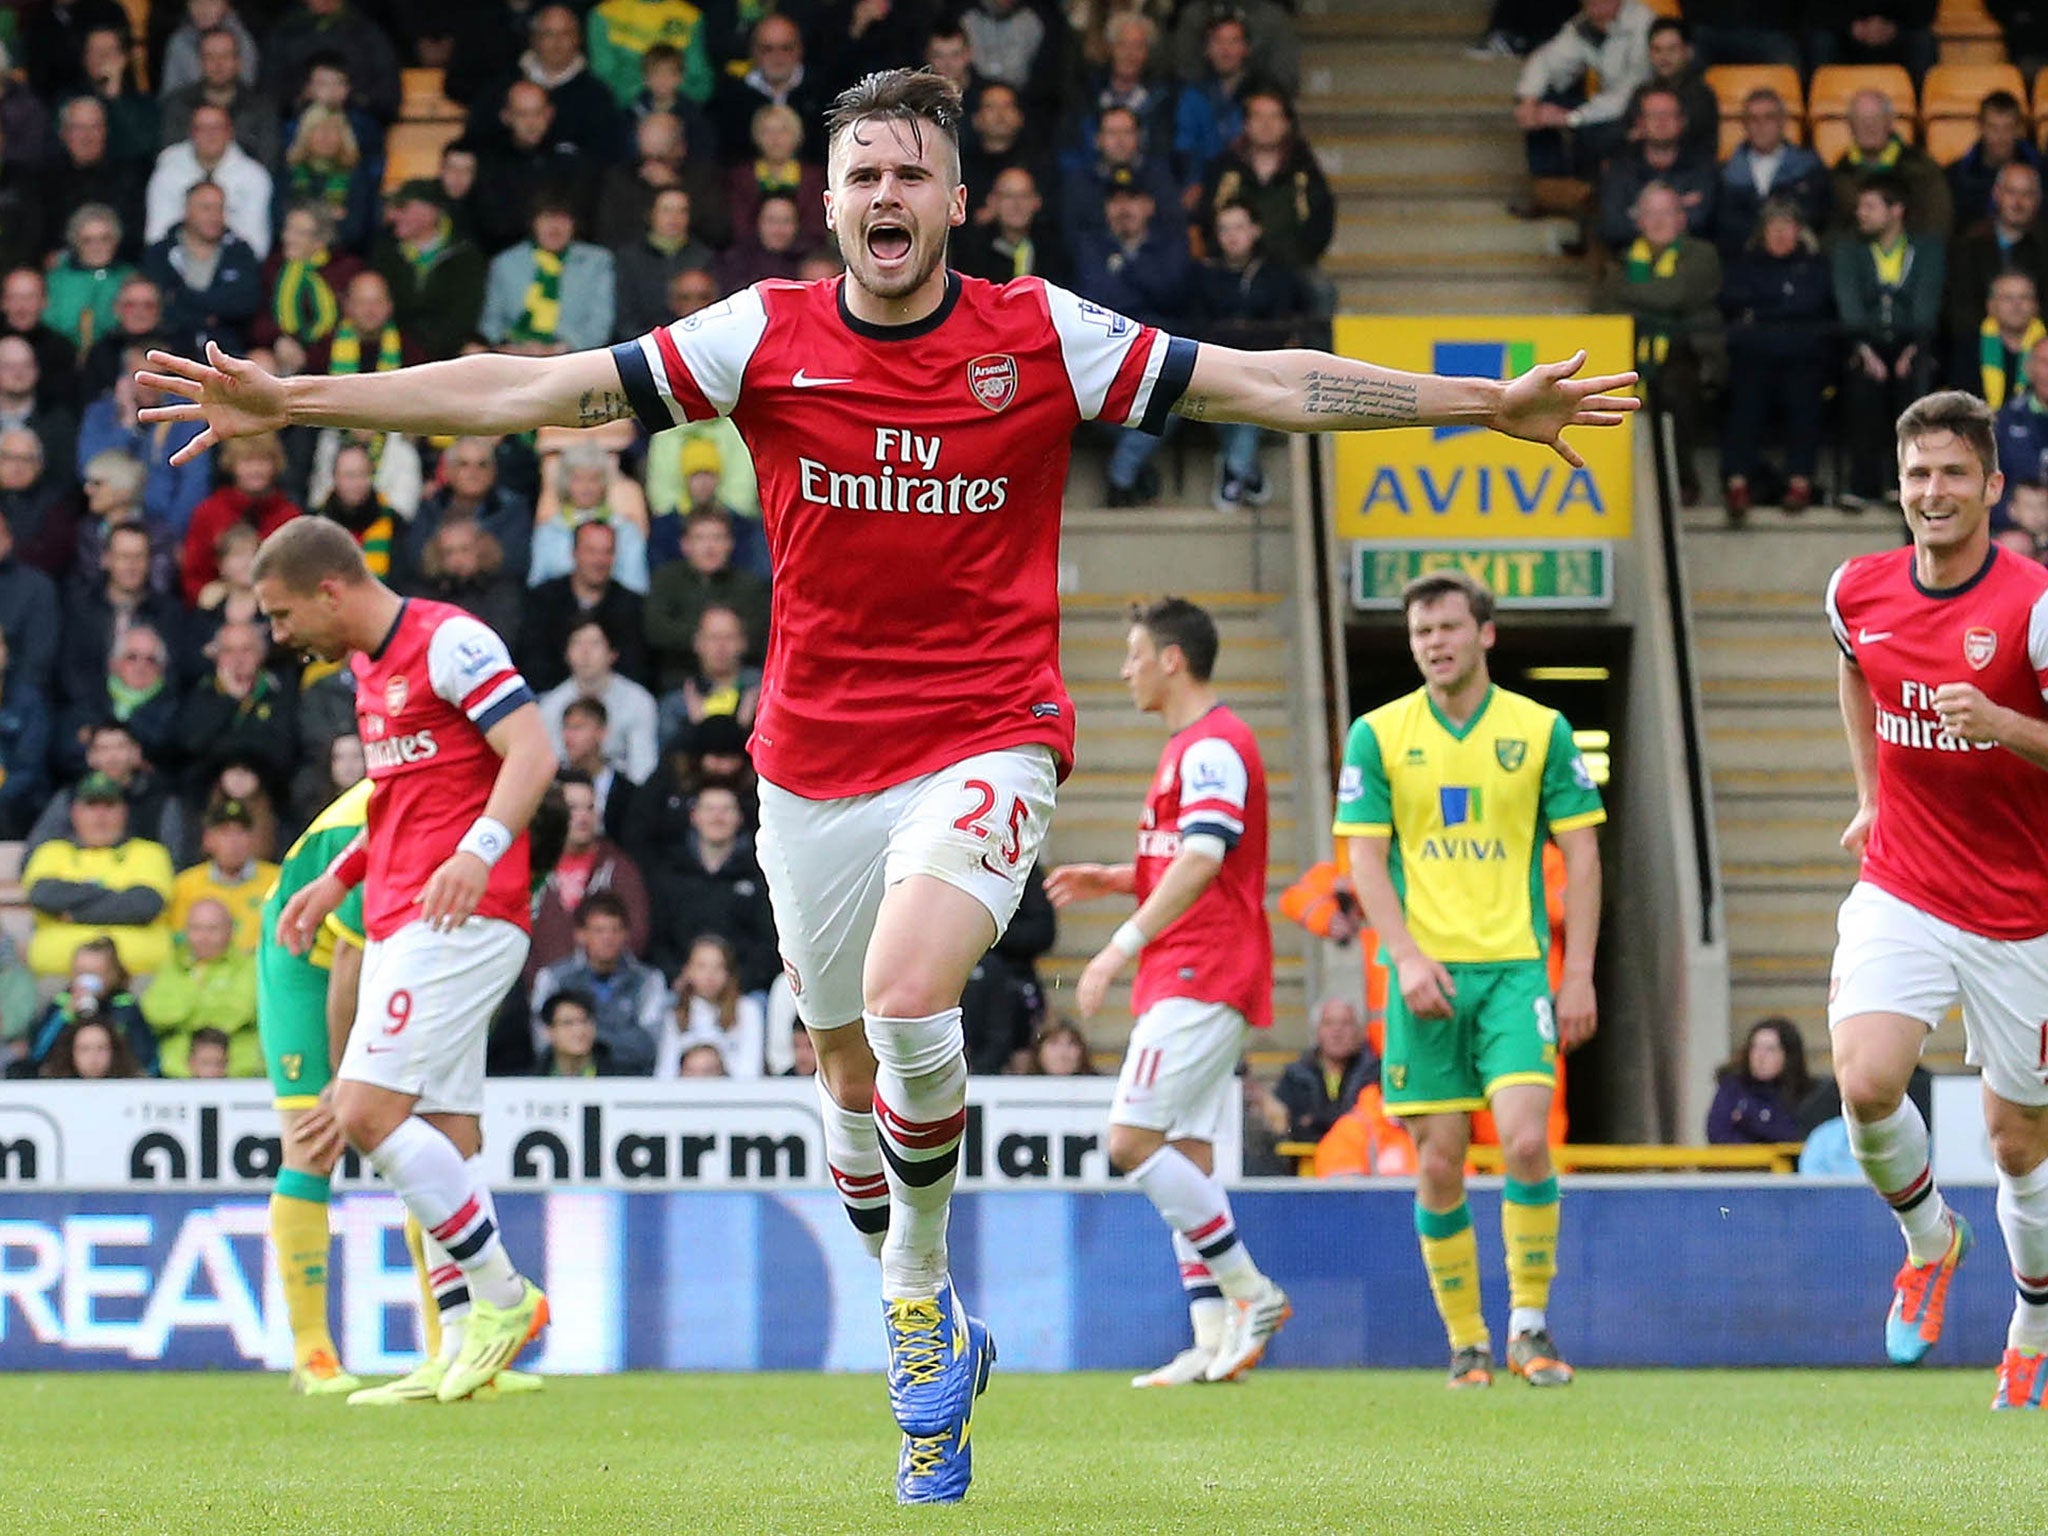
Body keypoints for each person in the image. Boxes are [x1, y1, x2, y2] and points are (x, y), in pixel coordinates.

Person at [133, 66, 1635, 1505]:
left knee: (916, 1002)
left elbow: (1268, 382)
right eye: (864, 174)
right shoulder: (760, 336)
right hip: (811, 771)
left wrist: (1478, 401)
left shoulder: (1041, 333)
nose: (888, 192)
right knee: (843, 1081)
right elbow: (534, 392)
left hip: (988, 735)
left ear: (957, 196)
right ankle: (932, 1308)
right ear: (829, 202)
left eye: (914, 171)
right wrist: (307, 399)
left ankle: (914, 1310)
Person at [212, 518, 555, 1404]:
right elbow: (395, 807)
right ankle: (453, 1357)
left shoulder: (452, 641)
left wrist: (478, 850)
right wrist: (339, 880)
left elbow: (535, 750)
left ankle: (505, 1299)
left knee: (363, 1111)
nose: (280, 637)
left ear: (331, 588)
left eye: (283, 617)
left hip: (458, 914)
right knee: (443, 1138)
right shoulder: (367, 673)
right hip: (408, 909)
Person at [1824, 389, 2048, 1407]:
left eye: (1953, 472)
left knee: (2014, 1144)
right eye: (1917, 474)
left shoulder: (2033, 605)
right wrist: (1870, 796)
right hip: (1902, 884)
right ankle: (1927, 1240)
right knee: (1866, 1081)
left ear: (1991, 487)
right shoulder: (1855, 591)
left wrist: (2003, 724)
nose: (1932, 491)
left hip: (2021, 913)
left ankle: (2031, 1321)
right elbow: (1852, 669)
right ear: (1898, 486)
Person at [1334, 569, 1605, 1389]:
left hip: (1516, 967)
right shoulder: (1378, 736)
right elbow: (1363, 860)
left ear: (1484, 633)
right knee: (1439, 1163)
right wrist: (1407, 958)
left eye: (1449, 628)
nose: (1435, 644)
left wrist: (1581, 973)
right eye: (1421, 633)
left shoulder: (1542, 728)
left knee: (1526, 1139)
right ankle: (1466, 1343)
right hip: (1424, 981)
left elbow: (1584, 854)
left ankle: (1529, 1324)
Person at [1047, 597, 1288, 1389]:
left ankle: (1251, 1296)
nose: (1124, 669)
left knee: (1130, 1140)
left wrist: (1117, 947)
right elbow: (1180, 856)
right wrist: (1116, 879)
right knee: (1184, 1153)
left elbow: (1205, 860)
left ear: (1172, 659)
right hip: (1187, 965)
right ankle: (1213, 1337)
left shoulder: (1213, 746)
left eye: (1134, 653)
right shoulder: (1189, 745)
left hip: (1201, 969)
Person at [1835, 176, 1946, 508]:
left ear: (1896, 210)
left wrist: (1912, 348)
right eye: (1859, 207)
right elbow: (1849, 303)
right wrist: (1866, 351)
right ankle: (1863, 483)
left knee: (1913, 388)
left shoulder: (1926, 249)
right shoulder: (1848, 251)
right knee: (1862, 386)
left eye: (1870, 206)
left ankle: (1905, 480)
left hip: (1915, 342)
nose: (1861, 213)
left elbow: (1927, 302)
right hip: (1864, 344)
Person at [1720, 199, 1834, 519]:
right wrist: (1786, 305)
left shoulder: (1815, 265)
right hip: (1755, 354)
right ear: (1763, 231)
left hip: (1803, 355)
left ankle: (1800, 482)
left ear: (1800, 231)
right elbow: (1734, 300)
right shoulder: (1745, 264)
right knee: (1745, 399)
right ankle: (1737, 483)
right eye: (1774, 227)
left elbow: (1815, 301)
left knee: (1805, 397)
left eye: (1788, 227)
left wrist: (1767, 308)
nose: (1781, 234)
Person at [22, 770, 177, 978]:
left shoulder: (150, 852)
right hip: (58, 977)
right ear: (74, 813)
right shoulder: (51, 851)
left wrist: (75, 913)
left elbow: (144, 905)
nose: (100, 816)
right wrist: (114, 898)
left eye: (109, 806)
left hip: (138, 976)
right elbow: (44, 896)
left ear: (124, 812)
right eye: (91, 806)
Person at [529, 890, 666, 1073]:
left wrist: (582, 1037)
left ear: (626, 934)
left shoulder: (648, 980)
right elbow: (543, 1041)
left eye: (615, 930)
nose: (607, 938)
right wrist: (617, 1037)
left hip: (631, 1082)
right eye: (599, 930)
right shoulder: (553, 978)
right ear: (580, 934)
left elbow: (649, 1045)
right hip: (568, 1082)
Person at [530, 770, 650, 971]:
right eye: (572, 808)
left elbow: (636, 933)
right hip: (539, 994)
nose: (583, 817)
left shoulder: (619, 868)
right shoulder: (534, 867)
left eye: (590, 808)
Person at [1944, 165, 2048, 393]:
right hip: (1976, 346)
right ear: (1996, 193)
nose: (2018, 202)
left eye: (2027, 194)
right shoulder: (1968, 243)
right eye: (2011, 192)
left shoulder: (2044, 246)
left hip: (2036, 344)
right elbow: (1958, 306)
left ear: (2038, 199)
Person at [141, 896, 259, 1076]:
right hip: (175, 1076)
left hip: (240, 1076)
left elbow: (241, 1011)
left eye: (212, 929)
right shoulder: (171, 966)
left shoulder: (249, 966)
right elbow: (156, 1014)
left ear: (231, 930)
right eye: (196, 929)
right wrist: (209, 1001)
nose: (203, 937)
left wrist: (187, 1013)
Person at [539, 618, 659, 782]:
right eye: (577, 643)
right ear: (566, 654)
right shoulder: (550, 706)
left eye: (595, 643)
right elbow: (547, 768)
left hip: (621, 797)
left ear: (612, 653)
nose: (585, 652)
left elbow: (643, 771)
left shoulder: (638, 701)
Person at [1713, 88, 1828, 258]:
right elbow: (1724, 225)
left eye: (1769, 117)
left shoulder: (1809, 168)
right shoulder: (1725, 174)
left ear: (1782, 122)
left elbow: (1816, 216)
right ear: (1744, 124)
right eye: (1753, 119)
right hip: (1742, 262)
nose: (1761, 125)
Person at [170, 794, 278, 951]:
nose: (233, 841)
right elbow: (179, 940)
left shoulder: (276, 879)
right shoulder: (186, 884)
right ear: (208, 839)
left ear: (253, 840)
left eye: (241, 832)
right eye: (224, 832)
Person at [658, 933, 765, 1076]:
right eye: (701, 966)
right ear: (688, 970)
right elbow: (665, 1071)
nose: (710, 975)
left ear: (729, 973)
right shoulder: (675, 1013)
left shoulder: (748, 1010)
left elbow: (751, 1070)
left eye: (718, 967)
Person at [1275, 997, 1377, 1144]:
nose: (1337, 1032)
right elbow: (1287, 1127)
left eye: (1345, 1024)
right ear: (1317, 1031)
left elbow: (1371, 1123)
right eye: (1328, 1024)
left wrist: (1315, 1120)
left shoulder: (1374, 1073)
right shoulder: (1295, 1075)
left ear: (1359, 1031)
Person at [1707, 1016, 1811, 1144]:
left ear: (1788, 1056)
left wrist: (1749, 1121)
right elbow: (1718, 1134)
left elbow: (1796, 1134)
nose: (1760, 1056)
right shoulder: (1732, 1088)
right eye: (1755, 1047)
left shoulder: (1805, 1094)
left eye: (1770, 1049)